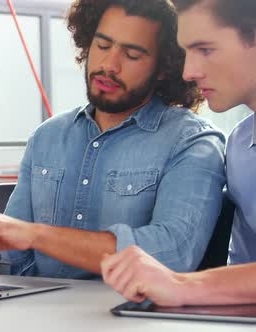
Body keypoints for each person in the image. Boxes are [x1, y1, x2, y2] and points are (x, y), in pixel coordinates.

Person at [0, 0, 226, 280]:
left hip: (130, 319)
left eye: (132, 55)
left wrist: (34, 235)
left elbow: (174, 253)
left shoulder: (192, 142)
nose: (109, 65)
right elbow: (12, 259)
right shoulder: (48, 137)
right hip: (41, 314)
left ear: (164, 67)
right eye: (103, 45)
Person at [102, 0, 256, 306]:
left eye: (206, 50)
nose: (188, 72)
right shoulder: (240, 145)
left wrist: (182, 284)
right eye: (187, 52)